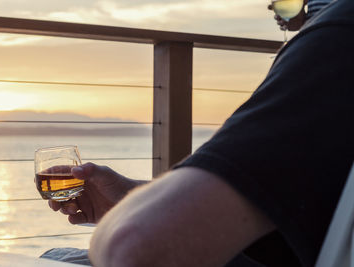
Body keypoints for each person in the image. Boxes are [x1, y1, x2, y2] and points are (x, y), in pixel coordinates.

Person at [45, 0, 354, 266]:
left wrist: (126, 221)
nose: (281, 14)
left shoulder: (338, 41)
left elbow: (133, 248)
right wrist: (129, 199)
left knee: (54, 258)